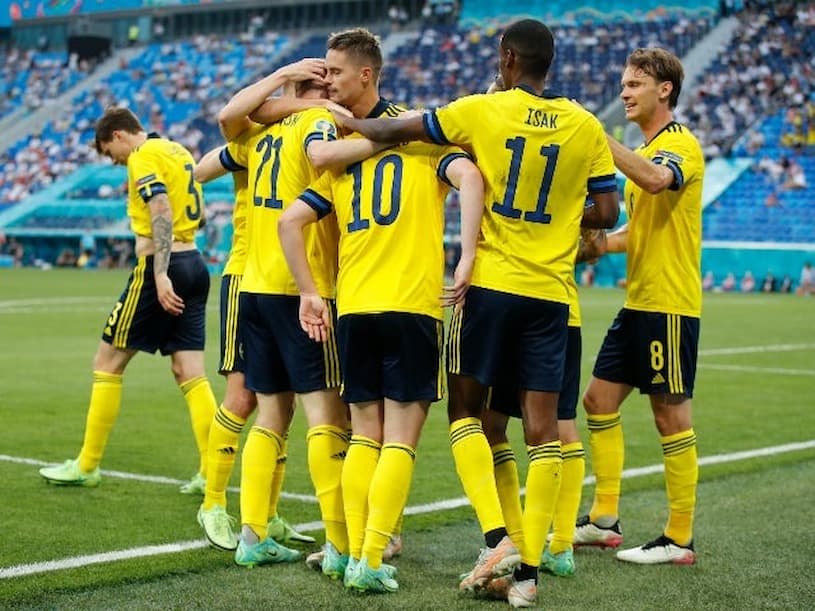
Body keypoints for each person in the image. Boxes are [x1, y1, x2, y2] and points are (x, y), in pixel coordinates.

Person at [332, 19, 619, 607]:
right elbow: (608, 211)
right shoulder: (585, 125)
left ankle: (495, 537)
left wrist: (352, 123)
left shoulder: (482, 111)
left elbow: (402, 127)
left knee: (465, 412)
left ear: (509, 59)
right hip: (549, 296)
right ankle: (531, 570)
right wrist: (564, 215)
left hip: (487, 287)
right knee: (543, 432)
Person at [278, 73, 484, 599]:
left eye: (336, 71)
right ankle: (369, 560)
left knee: (363, 436)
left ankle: (344, 551)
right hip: (412, 306)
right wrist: (465, 256)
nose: (329, 82)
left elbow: (290, 221)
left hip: (354, 308)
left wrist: (308, 291)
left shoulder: (346, 154)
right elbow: (471, 179)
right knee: (399, 440)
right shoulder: (421, 139)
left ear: (366, 73)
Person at [205, 55, 393, 569]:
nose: (333, 86)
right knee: (325, 417)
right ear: (317, 90)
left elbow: (227, 122)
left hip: (257, 285)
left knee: (270, 414)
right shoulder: (314, 122)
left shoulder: (260, 135)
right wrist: (390, 137)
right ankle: (338, 544)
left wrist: (280, 81)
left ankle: (252, 535)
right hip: (302, 285)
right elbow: (321, 156)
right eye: (326, 80)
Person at [39, 107, 217, 493]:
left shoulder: (142, 157)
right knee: (190, 372)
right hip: (196, 263)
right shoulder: (178, 152)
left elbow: (160, 208)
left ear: (120, 135)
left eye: (108, 151)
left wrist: (159, 271)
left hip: (162, 267)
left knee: (107, 362)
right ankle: (210, 472)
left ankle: (87, 465)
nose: (113, 161)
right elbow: (199, 216)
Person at [575, 48, 704, 565]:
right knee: (597, 402)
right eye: (624, 84)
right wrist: (598, 245)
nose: (624, 92)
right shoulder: (650, 147)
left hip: (669, 306)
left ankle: (678, 539)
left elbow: (656, 180)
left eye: (634, 84)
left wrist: (599, 141)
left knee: (670, 417)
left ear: (664, 89)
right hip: (639, 303)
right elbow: (639, 229)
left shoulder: (679, 146)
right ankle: (604, 518)